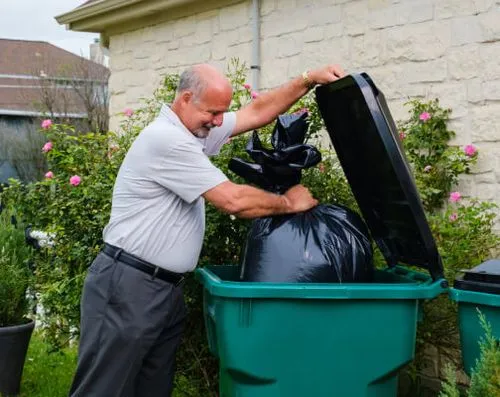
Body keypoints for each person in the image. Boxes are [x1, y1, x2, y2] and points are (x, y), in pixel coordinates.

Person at [68, 63, 346, 397]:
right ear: (186, 99)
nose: (217, 121)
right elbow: (232, 200)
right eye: (212, 113)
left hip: (162, 290)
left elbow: (256, 112)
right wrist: (288, 203)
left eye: (221, 113)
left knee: (150, 390)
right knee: (104, 390)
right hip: (128, 286)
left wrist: (307, 79)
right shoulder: (167, 140)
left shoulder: (191, 130)